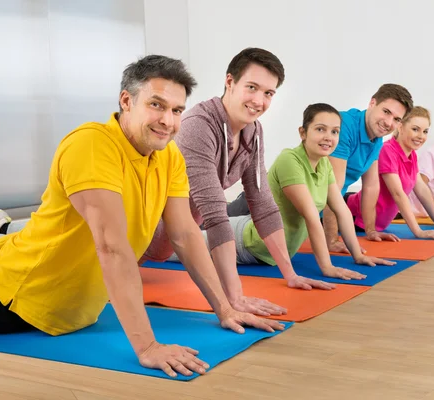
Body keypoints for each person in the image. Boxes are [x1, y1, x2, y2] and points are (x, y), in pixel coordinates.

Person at [0, 54, 283, 379]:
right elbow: (111, 247)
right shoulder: (93, 145)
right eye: (156, 105)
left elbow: (185, 235)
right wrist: (148, 346)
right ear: (126, 101)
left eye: (177, 110)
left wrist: (225, 308)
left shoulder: (168, 157)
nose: (168, 120)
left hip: (73, 310)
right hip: (7, 295)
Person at [142, 48, 331, 318]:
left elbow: (263, 204)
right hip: (143, 232)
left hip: (175, 235)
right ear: (229, 82)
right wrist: (234, 298)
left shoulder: (253, 131)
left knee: (163, 251)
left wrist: (290, 274)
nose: (259, 101)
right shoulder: (199, 126)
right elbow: (215, 215)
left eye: (268, 93)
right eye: (252, 87)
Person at [170, 103, 396, 279]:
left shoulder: (325, 164)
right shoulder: (291, 159)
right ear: (303, 132)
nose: (329, 137)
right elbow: (311, 217)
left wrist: (357, 255)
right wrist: (327, 268)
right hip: (246, 242)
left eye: (335, 132)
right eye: (320, 129)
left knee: (176, 233)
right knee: (167, 246)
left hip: (268, 251)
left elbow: (342, 210)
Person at [344, 106, 434, 239]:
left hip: (377, 224)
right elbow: (398, 194)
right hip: (352, 214)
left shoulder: (412, 155)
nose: (421, 136)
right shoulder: (387, 151)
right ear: (400, 127)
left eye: (425, 131)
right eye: (415, 129)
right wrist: (418, 231)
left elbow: (422, 189)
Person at [322, 84, 414, 253]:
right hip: (295, 207)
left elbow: (371, 186)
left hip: (320, 209)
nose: (388, 122)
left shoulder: (376, 138)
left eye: (396, 119)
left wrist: (370, 230)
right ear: (372, 103)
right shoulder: (344, 126)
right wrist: (332, 240)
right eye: (386, 112)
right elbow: (332, 187)